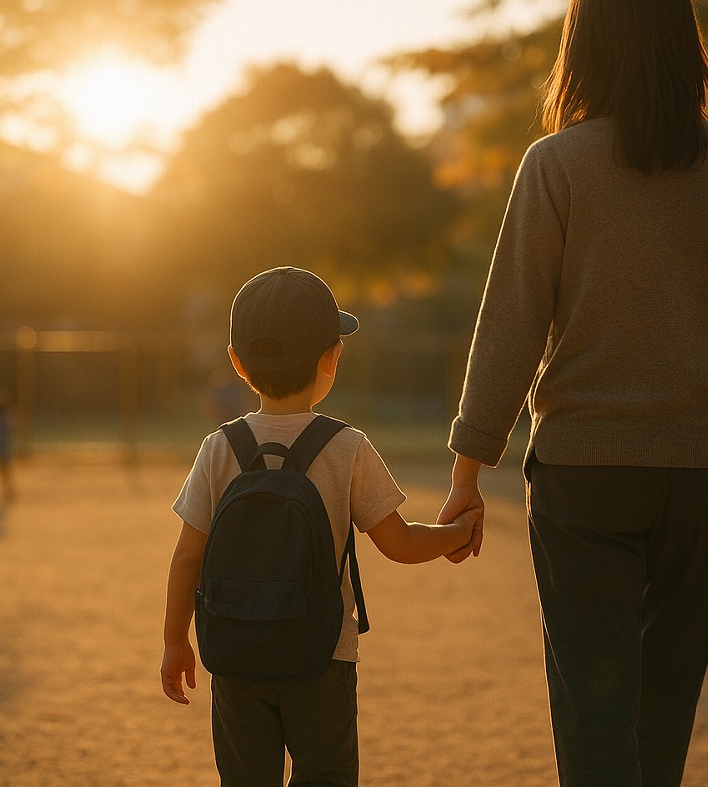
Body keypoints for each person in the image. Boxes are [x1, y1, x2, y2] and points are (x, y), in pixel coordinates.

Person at [437, 0, 708, 787]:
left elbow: (510, 325)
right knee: (665, 705)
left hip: (584, 472)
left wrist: (466, 469)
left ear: (583, 44)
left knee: (594, 707)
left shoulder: (555, 166)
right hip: (707, 472)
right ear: (685, 42)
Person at [162, 266, 477, 786]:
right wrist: (458, 533)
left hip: (236, 653)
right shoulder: (346, 447)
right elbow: (400, 542)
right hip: (322, 655)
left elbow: (187, 558)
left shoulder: (218, 448)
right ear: (332, 359)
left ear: (237, 364)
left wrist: (176, 640)